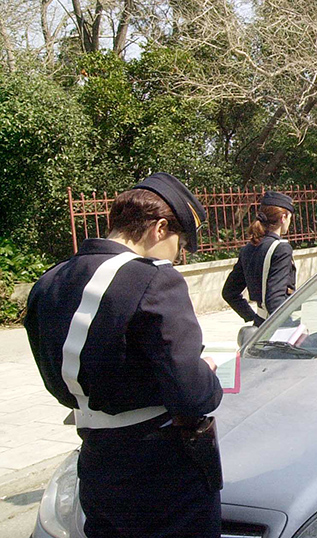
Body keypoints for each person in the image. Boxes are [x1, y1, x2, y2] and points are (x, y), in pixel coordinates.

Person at [24, 173, 224, 537]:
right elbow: (192, 394)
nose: (178, 256)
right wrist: (207, 374)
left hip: (97, 461)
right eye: (180, 242)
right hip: (159, 467)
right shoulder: (154, 279)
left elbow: (58, 380)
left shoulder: (50, 280)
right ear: (160, 229)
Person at [222, 191, 296, 327]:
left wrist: (251, 317)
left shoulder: (248, 248)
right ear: (283, 217)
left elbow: (229, 292)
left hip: (260, 323)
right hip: (277, 325)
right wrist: (289, 328)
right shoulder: (281, 248)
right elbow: (275, 298)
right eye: (290, 217)